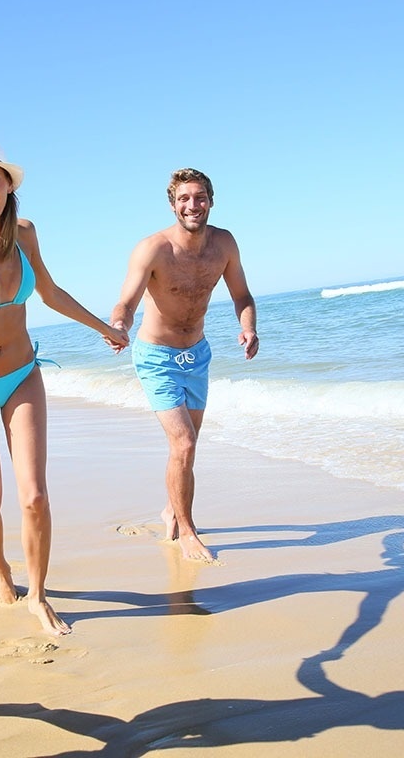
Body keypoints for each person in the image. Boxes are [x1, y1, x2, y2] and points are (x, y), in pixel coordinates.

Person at [0, 136, 128, 635]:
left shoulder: (24, 233)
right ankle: (1, 573)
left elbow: (49, 291)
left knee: (35, 495)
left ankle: (38, 595)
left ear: (7, 185)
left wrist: (103, 328)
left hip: (22, 374)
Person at [110, 168, 258, 562]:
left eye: (200, 197)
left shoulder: (224, 244)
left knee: (187, 448)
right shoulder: (154, 248)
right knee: (185, 442)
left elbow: (242, 295)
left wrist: (248, 328)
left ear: (211, 200)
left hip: (198, 355)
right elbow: (127, 301)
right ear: (173, 204)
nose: (193, 205)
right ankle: (187, 530)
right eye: (185, 199)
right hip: (157, 357)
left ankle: (171, 508)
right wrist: (119, 324)